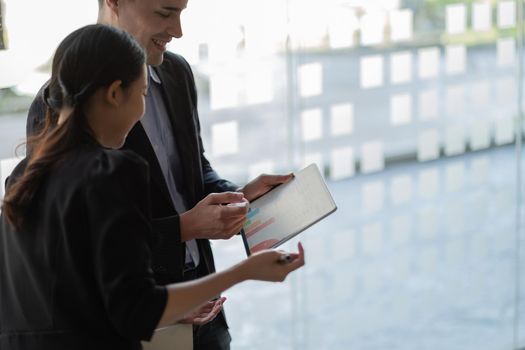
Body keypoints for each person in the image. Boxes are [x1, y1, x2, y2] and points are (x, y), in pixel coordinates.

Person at [0, 24, 304, 350]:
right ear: (115, 93)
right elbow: (136, 310)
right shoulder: (111, 171)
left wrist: (237, 195)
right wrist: (244, 271)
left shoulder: (23, 176)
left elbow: (75, 286)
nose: (143, 108)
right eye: (143, 94)